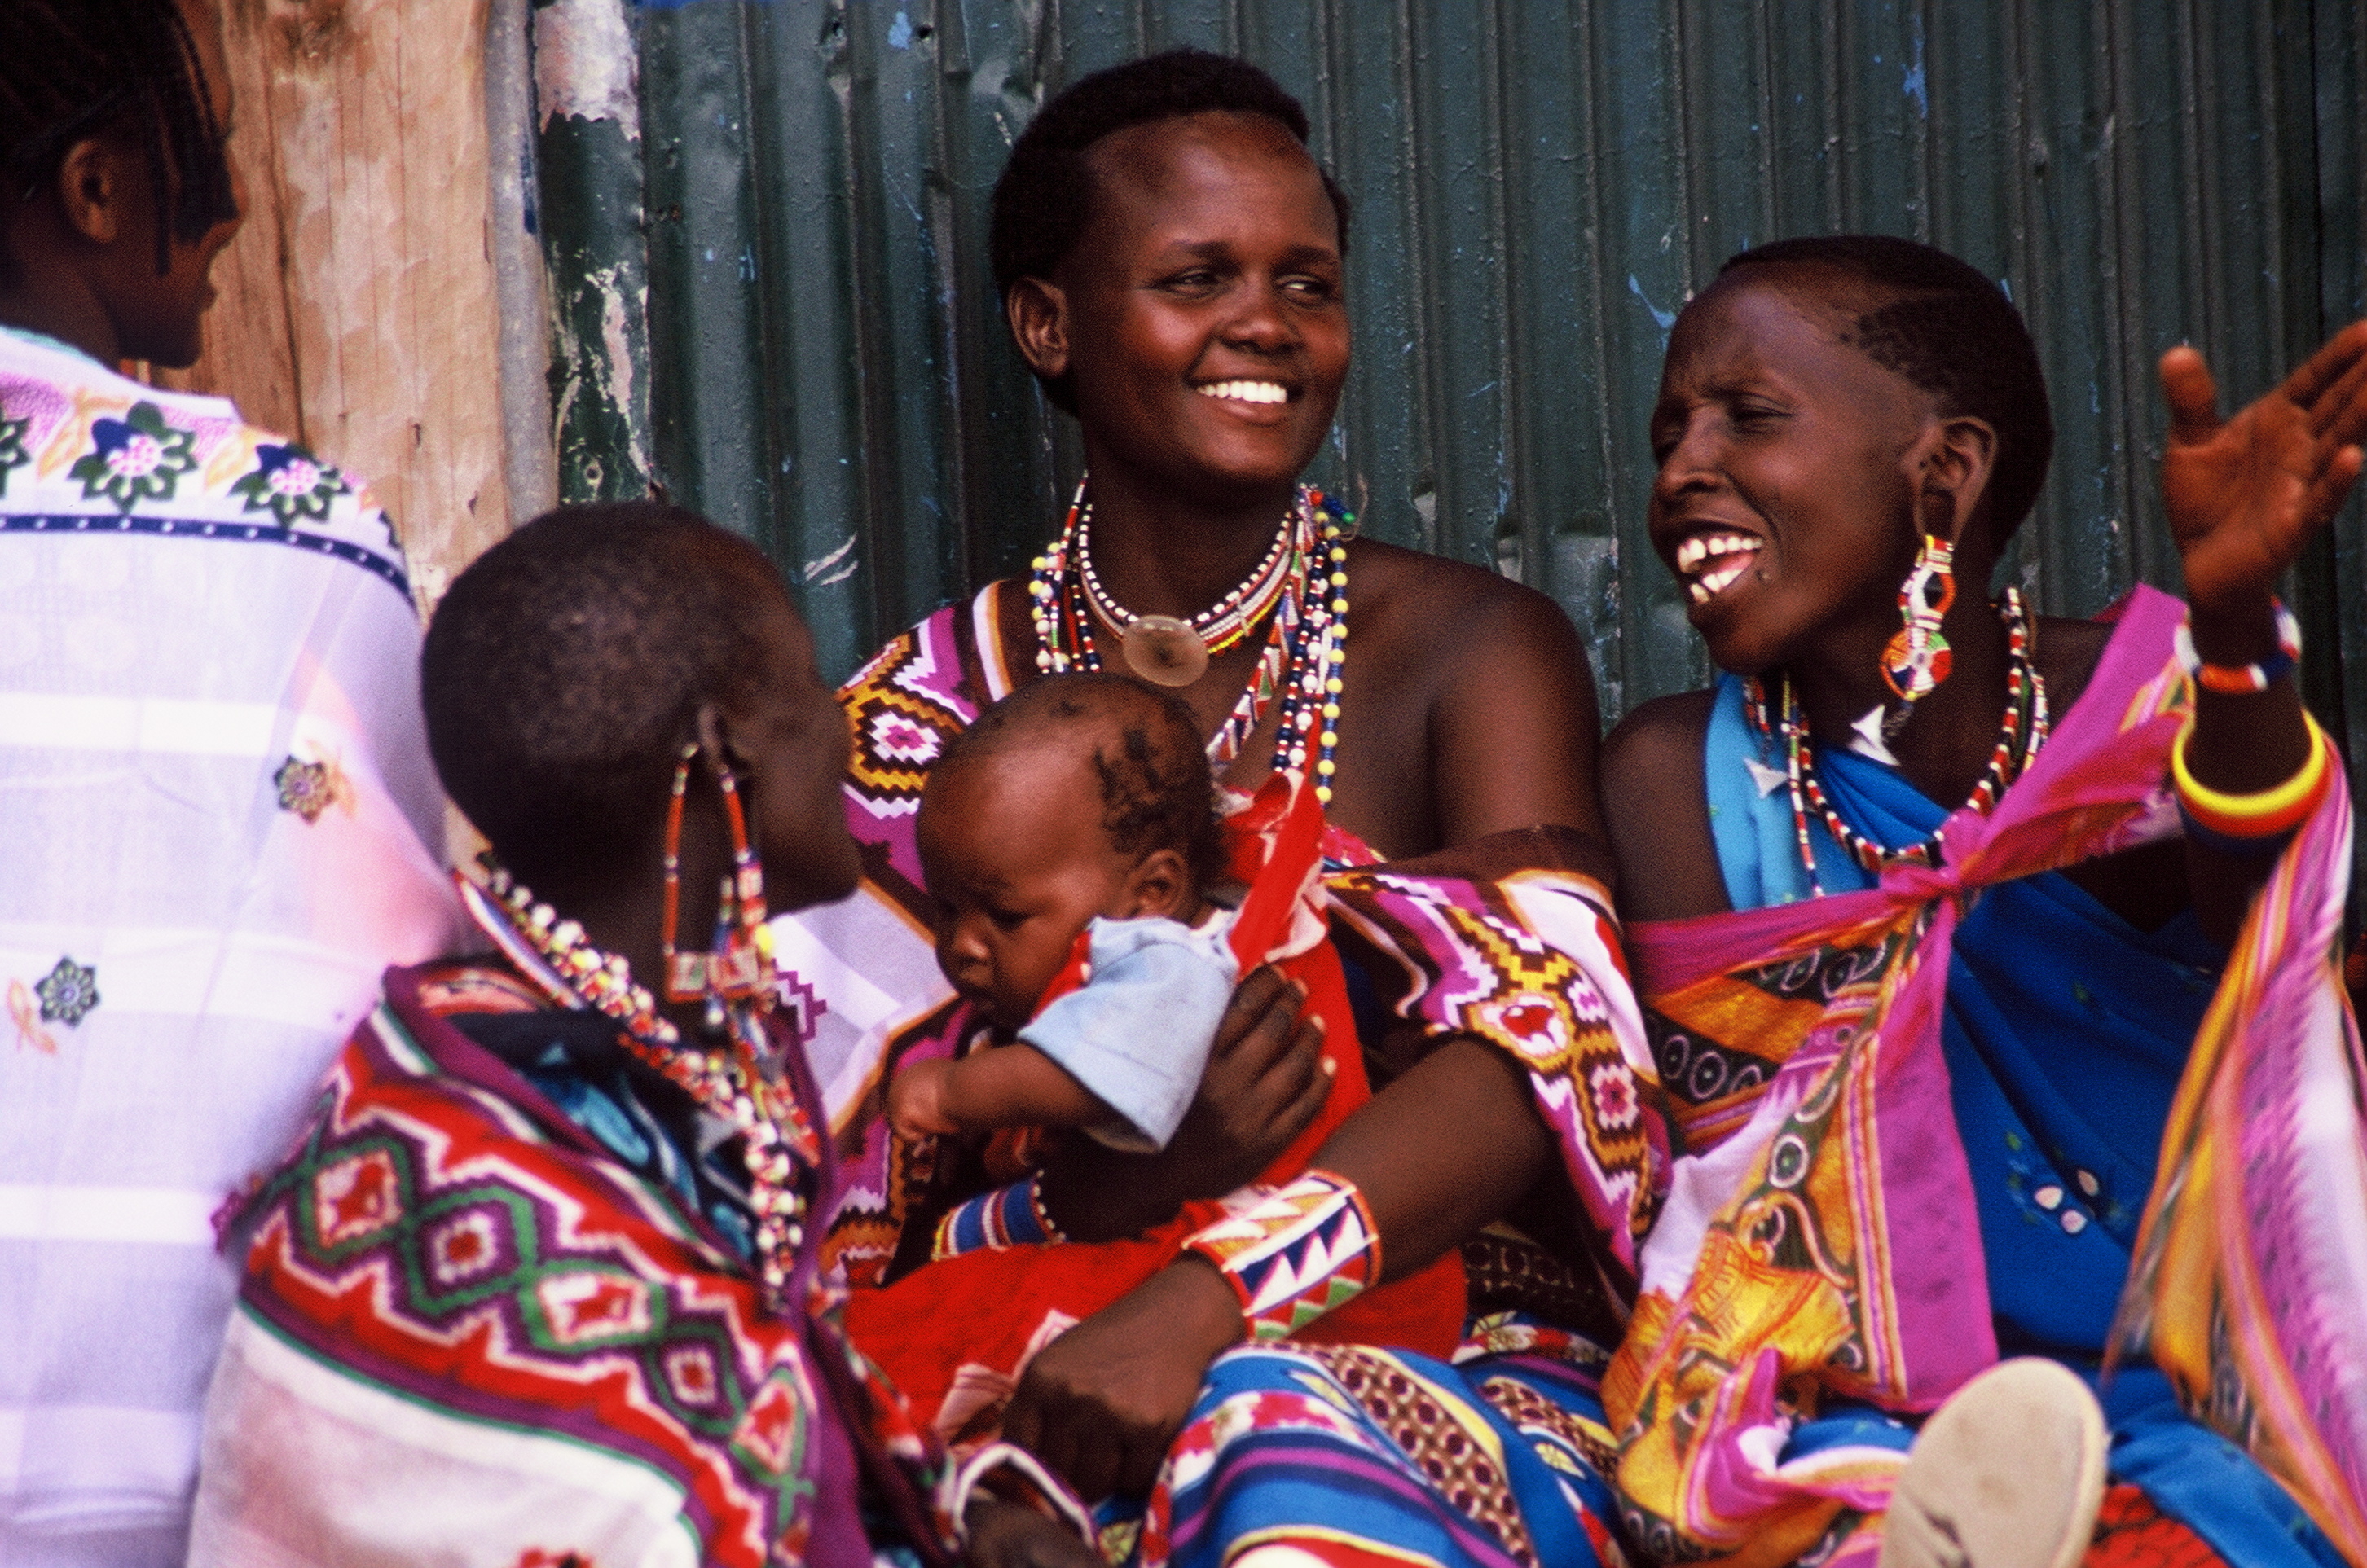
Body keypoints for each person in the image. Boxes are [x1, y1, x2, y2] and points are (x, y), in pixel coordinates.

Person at [779, 46, 1661, 1566]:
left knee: (1288, 1470)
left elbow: (1546, 1048)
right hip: (1028, 1344)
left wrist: (1210, 1295)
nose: (1267, 323)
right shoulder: (922, 715)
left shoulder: (1466, 655)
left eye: (1307, 283)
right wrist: (1101, 1184)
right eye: (1199, 276)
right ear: (1049, 323)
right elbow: (836, 1180)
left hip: (1439, 1342)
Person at [1595, 236, 2367, 1568]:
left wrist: (2237, 630)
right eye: (1672, 430)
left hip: (2181, 1381)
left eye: (1747, 419)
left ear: (1943, 473)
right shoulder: (1676, 778)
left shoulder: (2130, 702)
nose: (1681, 471)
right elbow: (1746, 1190)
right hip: (1853, 1425)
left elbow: (2270, 923)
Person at [187, 503, 1099, 1568]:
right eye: (809, 684)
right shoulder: (462, 1156)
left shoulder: (702, 1039)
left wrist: (971, 1518)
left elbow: (784, 1404)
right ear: (722, 750)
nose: (841, 722)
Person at [0, 3, 462, 1561]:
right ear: (96, 190)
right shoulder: (288, 535)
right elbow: (387, 984)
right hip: (174, 1447)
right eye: (208, 160)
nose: (240, 213)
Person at [854, 674, 1465, 1445]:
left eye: (1003, 915)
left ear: (1153, 889)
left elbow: (1081, 1077)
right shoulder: (1162, 928)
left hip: (1265, 1279)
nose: (963, 947)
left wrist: (952, 1091)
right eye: (947, 909)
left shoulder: (1163, 964)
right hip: (1206, 1247)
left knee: (960, 1321)